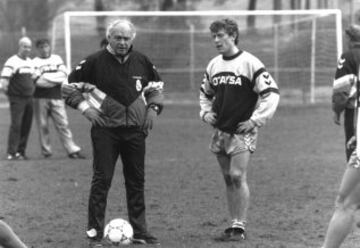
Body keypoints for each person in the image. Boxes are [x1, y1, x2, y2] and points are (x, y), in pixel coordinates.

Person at [64, 19, 164, 246]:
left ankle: (140, 231)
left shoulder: (142, 61)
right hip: (105, 132)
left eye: (126, 38)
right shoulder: (93, 62)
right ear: (109, 37)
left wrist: (153, 109)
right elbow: (67, 88)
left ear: (132, 39)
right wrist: (85, 108)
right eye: (117, 37)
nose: (122, 42)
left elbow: (156, 88)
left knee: (136, 181)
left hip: (136, 132)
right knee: (102, 181)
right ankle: (94, 234)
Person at [199, 18, 280, 242]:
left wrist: (255, 120)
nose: (216, 40)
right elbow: (205, 94)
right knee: (227, 177)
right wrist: (205, 113)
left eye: (221, 35)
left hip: (243, 130)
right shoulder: (213, 64)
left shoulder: (250, 63)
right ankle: (233, 223)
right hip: (220, 130)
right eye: (213, 36)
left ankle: (240, 226)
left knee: (237, 175)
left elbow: (271, 93)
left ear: (233, 35)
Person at [32, 38, 85, 159]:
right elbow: (37, 82)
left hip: (57, 96)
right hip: (40, 98)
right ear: (38, 49)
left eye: (46, 46)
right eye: (41, 47)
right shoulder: (33, 62)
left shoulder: (57, 59)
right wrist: (54, 79)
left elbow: (64, 75)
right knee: (43, 126)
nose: (44, 49)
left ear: (49, 47)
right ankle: (47, 152)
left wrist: (45, 76)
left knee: (63, 124)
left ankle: (72, 150)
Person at [0, 37, 35, 160]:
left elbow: (33, 78)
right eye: (25, 46)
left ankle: (21, 152)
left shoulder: (31, 62)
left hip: (29, 98)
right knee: (16, 125)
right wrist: (10, 94)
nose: (27, 49)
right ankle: (11, 152)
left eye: (29, 47)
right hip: (17, 99)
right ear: (19, 47)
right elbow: (4, 80)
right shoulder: (12, 61)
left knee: (26, 125)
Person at [332, 24, 360, 161]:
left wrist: (337, 111)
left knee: (354, 152)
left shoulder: (347, 57)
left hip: (355, 112)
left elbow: (341, 89)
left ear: (349, 38)